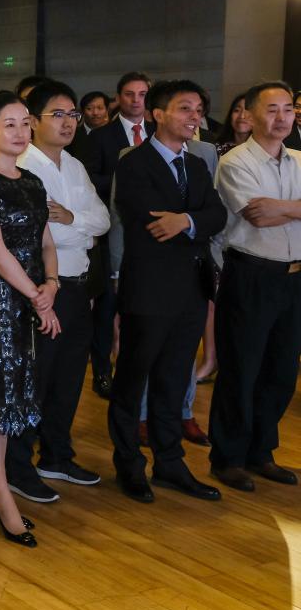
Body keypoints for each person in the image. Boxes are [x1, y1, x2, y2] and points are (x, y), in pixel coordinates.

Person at [108, 79, 226, 504]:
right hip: (149, 290)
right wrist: (187, 222)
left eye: (199, 109)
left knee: (174, 382)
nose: (196, 117)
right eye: (185, 109)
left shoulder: (195, 164)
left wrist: (187, 222)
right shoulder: (133, 163)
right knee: (133, 379)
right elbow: (147, 220)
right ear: (158, 114)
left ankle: (171, 463)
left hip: (191, 290)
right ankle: (129, 465)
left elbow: (217, 213)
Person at [6, 81, 110, 503]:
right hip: (40, 288)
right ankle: (16, 466)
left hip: (78, 285)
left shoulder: (75, 165)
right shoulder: (21, 166)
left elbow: (102, 220)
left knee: (68, 378)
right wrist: (75, 226)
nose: (68, 123)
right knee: (34, 380)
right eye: (58, 115)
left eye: (73, 115)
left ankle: (56, 455)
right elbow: (36, 234)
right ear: (32, 121)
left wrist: (71, 220)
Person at [0, 90, 59, 549]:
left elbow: (45, 242)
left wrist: (53, 285)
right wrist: (37, 297)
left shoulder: (33, 181)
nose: (20, 132)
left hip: (33, 294)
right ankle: (4, 502)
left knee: (18, 391)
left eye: (25, 123)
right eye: (9, 124)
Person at [208, 81, 301, 492]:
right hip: (250, 274)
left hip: (294, 278)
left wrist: (285, 208)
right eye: (272, 110)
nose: (281, 118)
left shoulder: (300, 159)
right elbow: (258, 216)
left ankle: (261, 452)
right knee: (241, 370)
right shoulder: (235, 162)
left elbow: (272, 210)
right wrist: (290, 211)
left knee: (281, 372)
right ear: (249, 112)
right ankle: (227, 457)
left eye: (288, 109)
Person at [78, 72, 155, 402]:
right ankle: (102, 371)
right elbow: (89, 178)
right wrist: (127, 180)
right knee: (107, 308)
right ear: (118, 98)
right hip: (112, 229)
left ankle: (137, 369)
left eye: (142, 94)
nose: (136, 100)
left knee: (144, 306)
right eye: (129, 94)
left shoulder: (157, 132)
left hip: (153, 233)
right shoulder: (100, 137)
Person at [214, 92, 251, 157]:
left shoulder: (261, 149)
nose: (242, 116)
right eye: (237, 110)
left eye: (248, 111)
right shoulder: (215, 148)